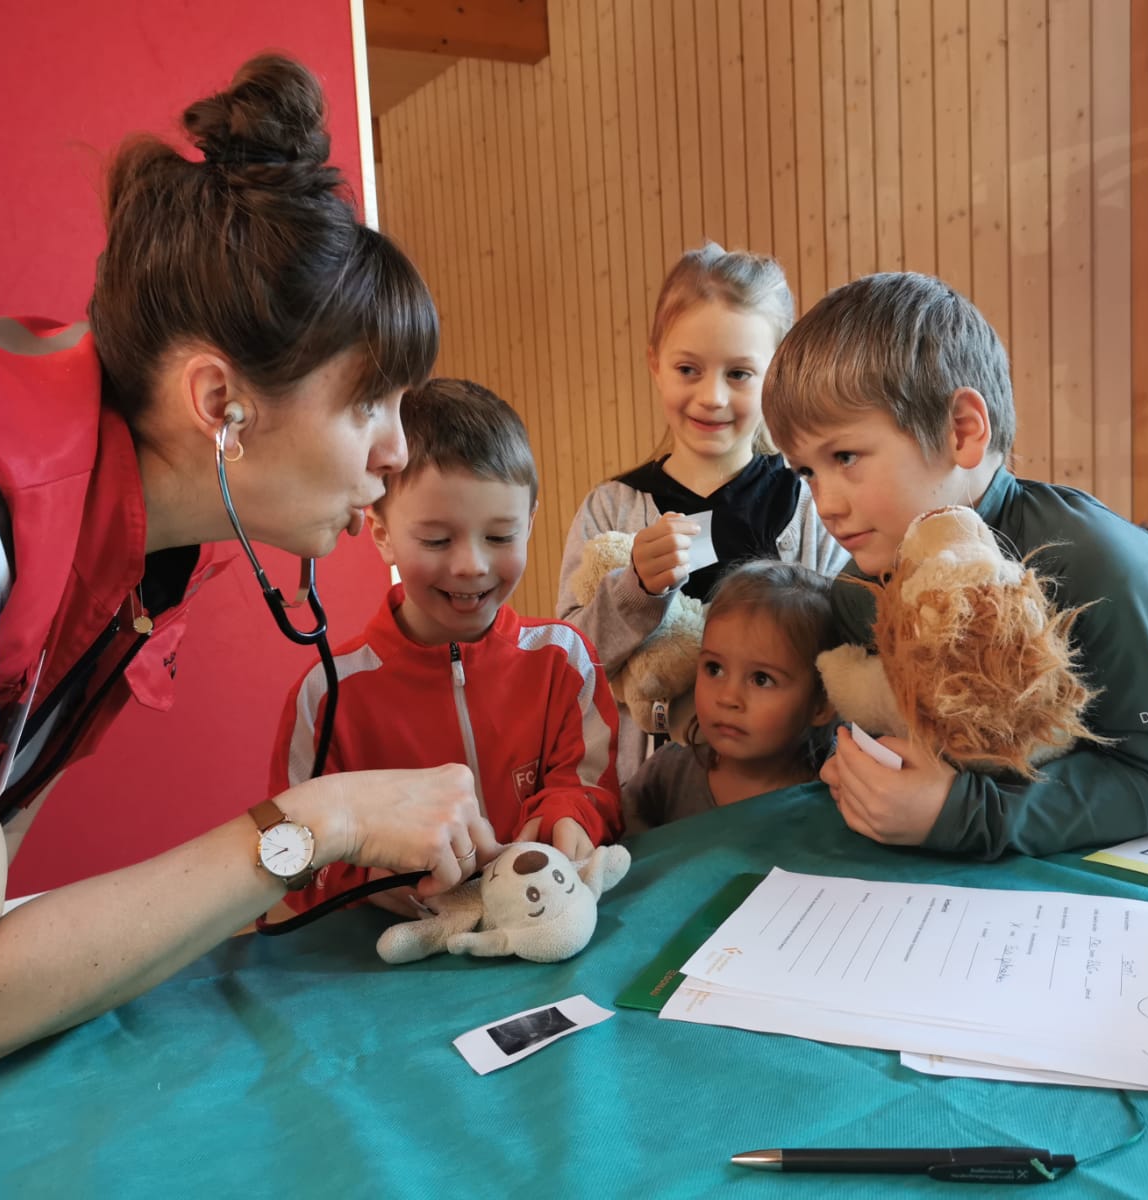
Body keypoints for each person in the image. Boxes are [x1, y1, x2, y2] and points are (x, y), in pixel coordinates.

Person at [0, 55, 499, 1080]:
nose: (397, 452)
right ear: (220, 404)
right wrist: (318, 821)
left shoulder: (130, 560)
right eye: (367, 404)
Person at [762, 272, 1148, 858]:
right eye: (807, 472)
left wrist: (958, 812)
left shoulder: (1101, 563)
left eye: (846, 457)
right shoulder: (862, 588)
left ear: (962, 431)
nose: (827, 505)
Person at [273, 379, 621, 918]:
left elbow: (589, 785)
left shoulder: (563, 660)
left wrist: (568, 820)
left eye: (501, 537)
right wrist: (367, 878)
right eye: (437, 540)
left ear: (529, 523)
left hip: (540, 925)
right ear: (382, 533)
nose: (471, 566)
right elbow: (293, 864)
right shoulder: (327, 695)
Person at [556, 243, 849, 778]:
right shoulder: (612, 508)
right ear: (655, 363)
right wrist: (633, 593)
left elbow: (844, 656)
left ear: (775, 374)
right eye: (689, 369)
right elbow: (566, 668)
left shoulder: (811, 504)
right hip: (639, 802)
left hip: (785, 793)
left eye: (739, 374)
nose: (712, 396)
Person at [623, 561, 837, 834]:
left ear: (822, 703)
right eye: (715, 669)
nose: (727, 697)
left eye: (761, 679)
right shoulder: (666, 775)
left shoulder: (842, 790)